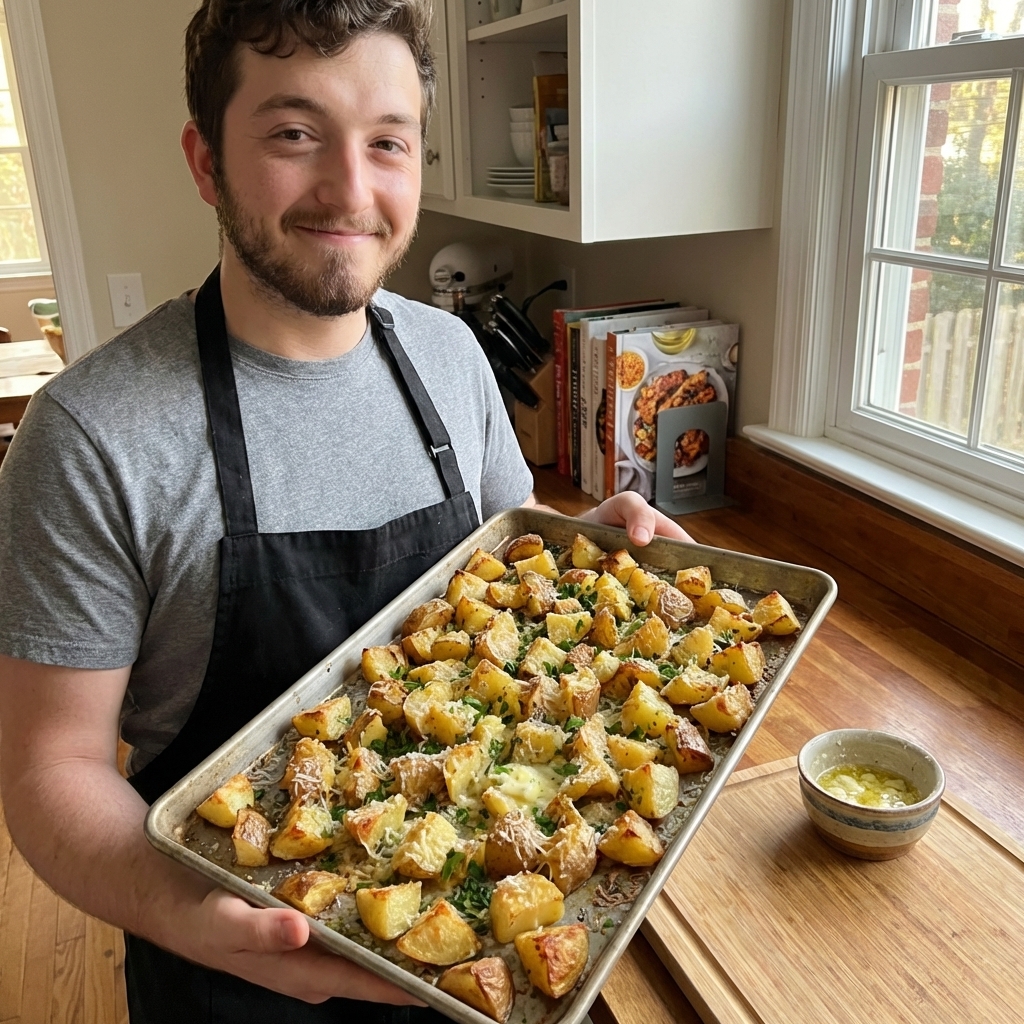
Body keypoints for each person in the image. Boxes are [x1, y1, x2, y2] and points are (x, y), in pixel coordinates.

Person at [0, 2, 688, 1021]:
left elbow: (514, 569)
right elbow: (48, 770)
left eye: (387, 143)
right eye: (293, 134)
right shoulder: (92, 434)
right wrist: (193, 912)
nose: (350, 190)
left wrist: (595, 550)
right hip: (236, 970)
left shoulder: (453, 358)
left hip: (491, 940)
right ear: (205, 161)